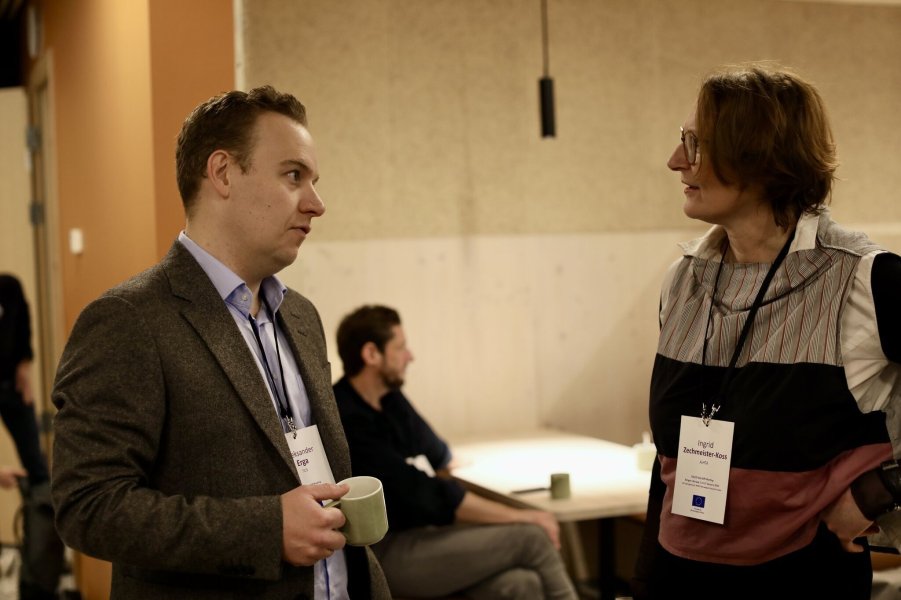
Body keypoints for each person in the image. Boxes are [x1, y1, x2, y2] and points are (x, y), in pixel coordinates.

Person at [50, 86, 391, 599]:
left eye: (314, 182)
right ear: (223, 173)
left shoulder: (301, 316)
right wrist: (265, 530)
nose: (316, 204)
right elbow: (88, 506)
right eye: (293, 176)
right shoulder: (128, 320)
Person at [632, 63, 901, 600]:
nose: (676, 160)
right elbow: (670, 469)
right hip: (675, 578)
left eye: (696, 144)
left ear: (760, 157)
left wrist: (879, 492)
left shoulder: (868, 281)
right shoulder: (683, 280)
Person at [332, 304, 578, 600]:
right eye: (401, 347)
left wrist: (447, 466)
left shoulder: (388, 399)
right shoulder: (347, 418)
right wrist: (520, 516)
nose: (410, 356)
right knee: (533, 537)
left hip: (423, 536)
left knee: (520, 584)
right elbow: (422, 493)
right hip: (383, 553)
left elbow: (438, 454)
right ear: (372, 354)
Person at [0, 273, 66, 600]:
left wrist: (24, 368)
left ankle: (39, 581)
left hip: (9, 385)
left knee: (40, 478)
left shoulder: (8, 288)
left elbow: (20, 327)